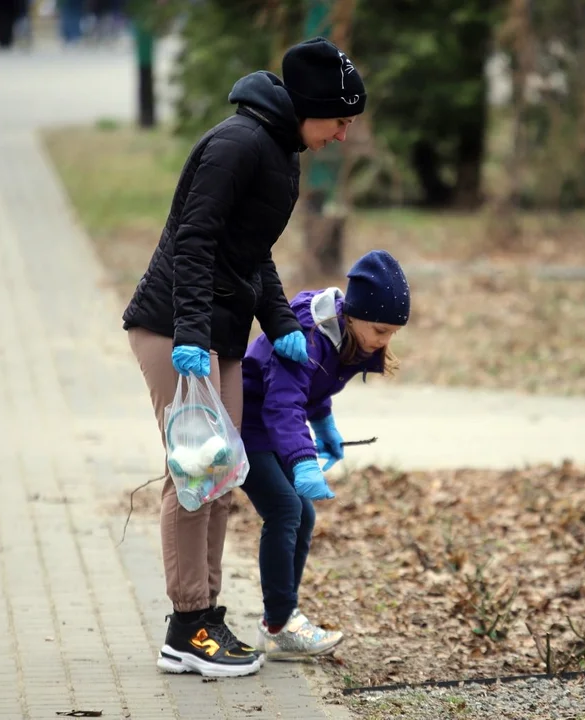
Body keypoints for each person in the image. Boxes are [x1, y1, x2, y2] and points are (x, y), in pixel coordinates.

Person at [122, 36, 367, 679]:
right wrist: (193, 335)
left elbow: (250, 251)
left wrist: (280, 322)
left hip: (217, 336)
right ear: (311, 107)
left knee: (221, 478)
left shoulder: (276, 151)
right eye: (340, 121)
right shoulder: (238, 145)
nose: (342, 135)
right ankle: (186, 627)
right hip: (176, 330)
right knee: (193, 476)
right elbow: (195, 239)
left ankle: (205, 617)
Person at [239, 250, 410, 659]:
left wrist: (325, 427)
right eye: (381, 330)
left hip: (272, 427)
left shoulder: (343, 338)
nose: (384, 342)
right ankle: (281, 624)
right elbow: (283, 404)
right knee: (285, 509)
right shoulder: (306, 337)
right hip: (245, 423)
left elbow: (313, 390)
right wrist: (301, 460)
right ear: (352, 315)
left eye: (392, 334)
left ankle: (278, 621)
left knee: (304, 514)